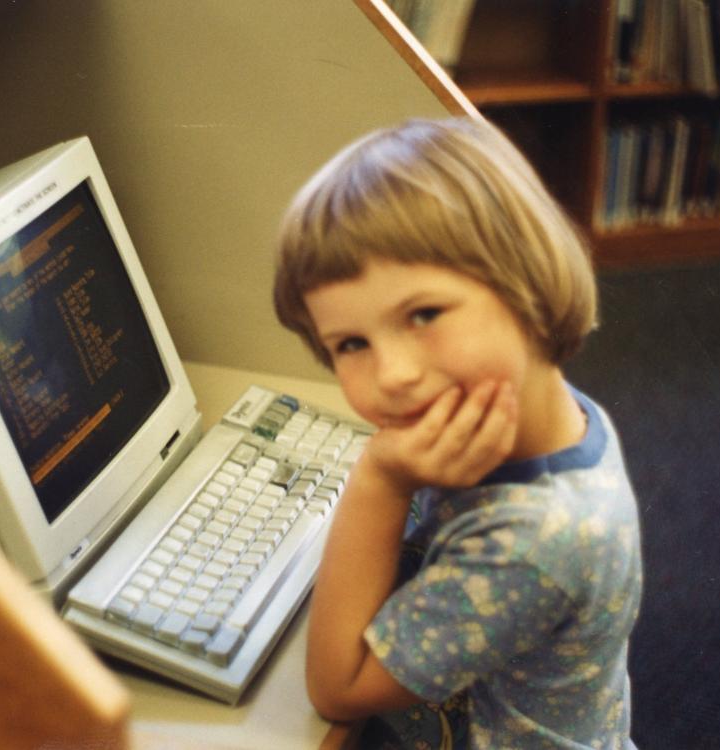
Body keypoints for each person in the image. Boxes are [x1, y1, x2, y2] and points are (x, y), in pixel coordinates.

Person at [273, 117, 642, 749]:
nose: (393, 374)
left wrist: (380, 479)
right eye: (351, 344)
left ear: (523, 282)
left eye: (423, 314)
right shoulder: (542, 409)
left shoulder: (529, 543)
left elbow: (337, 689)